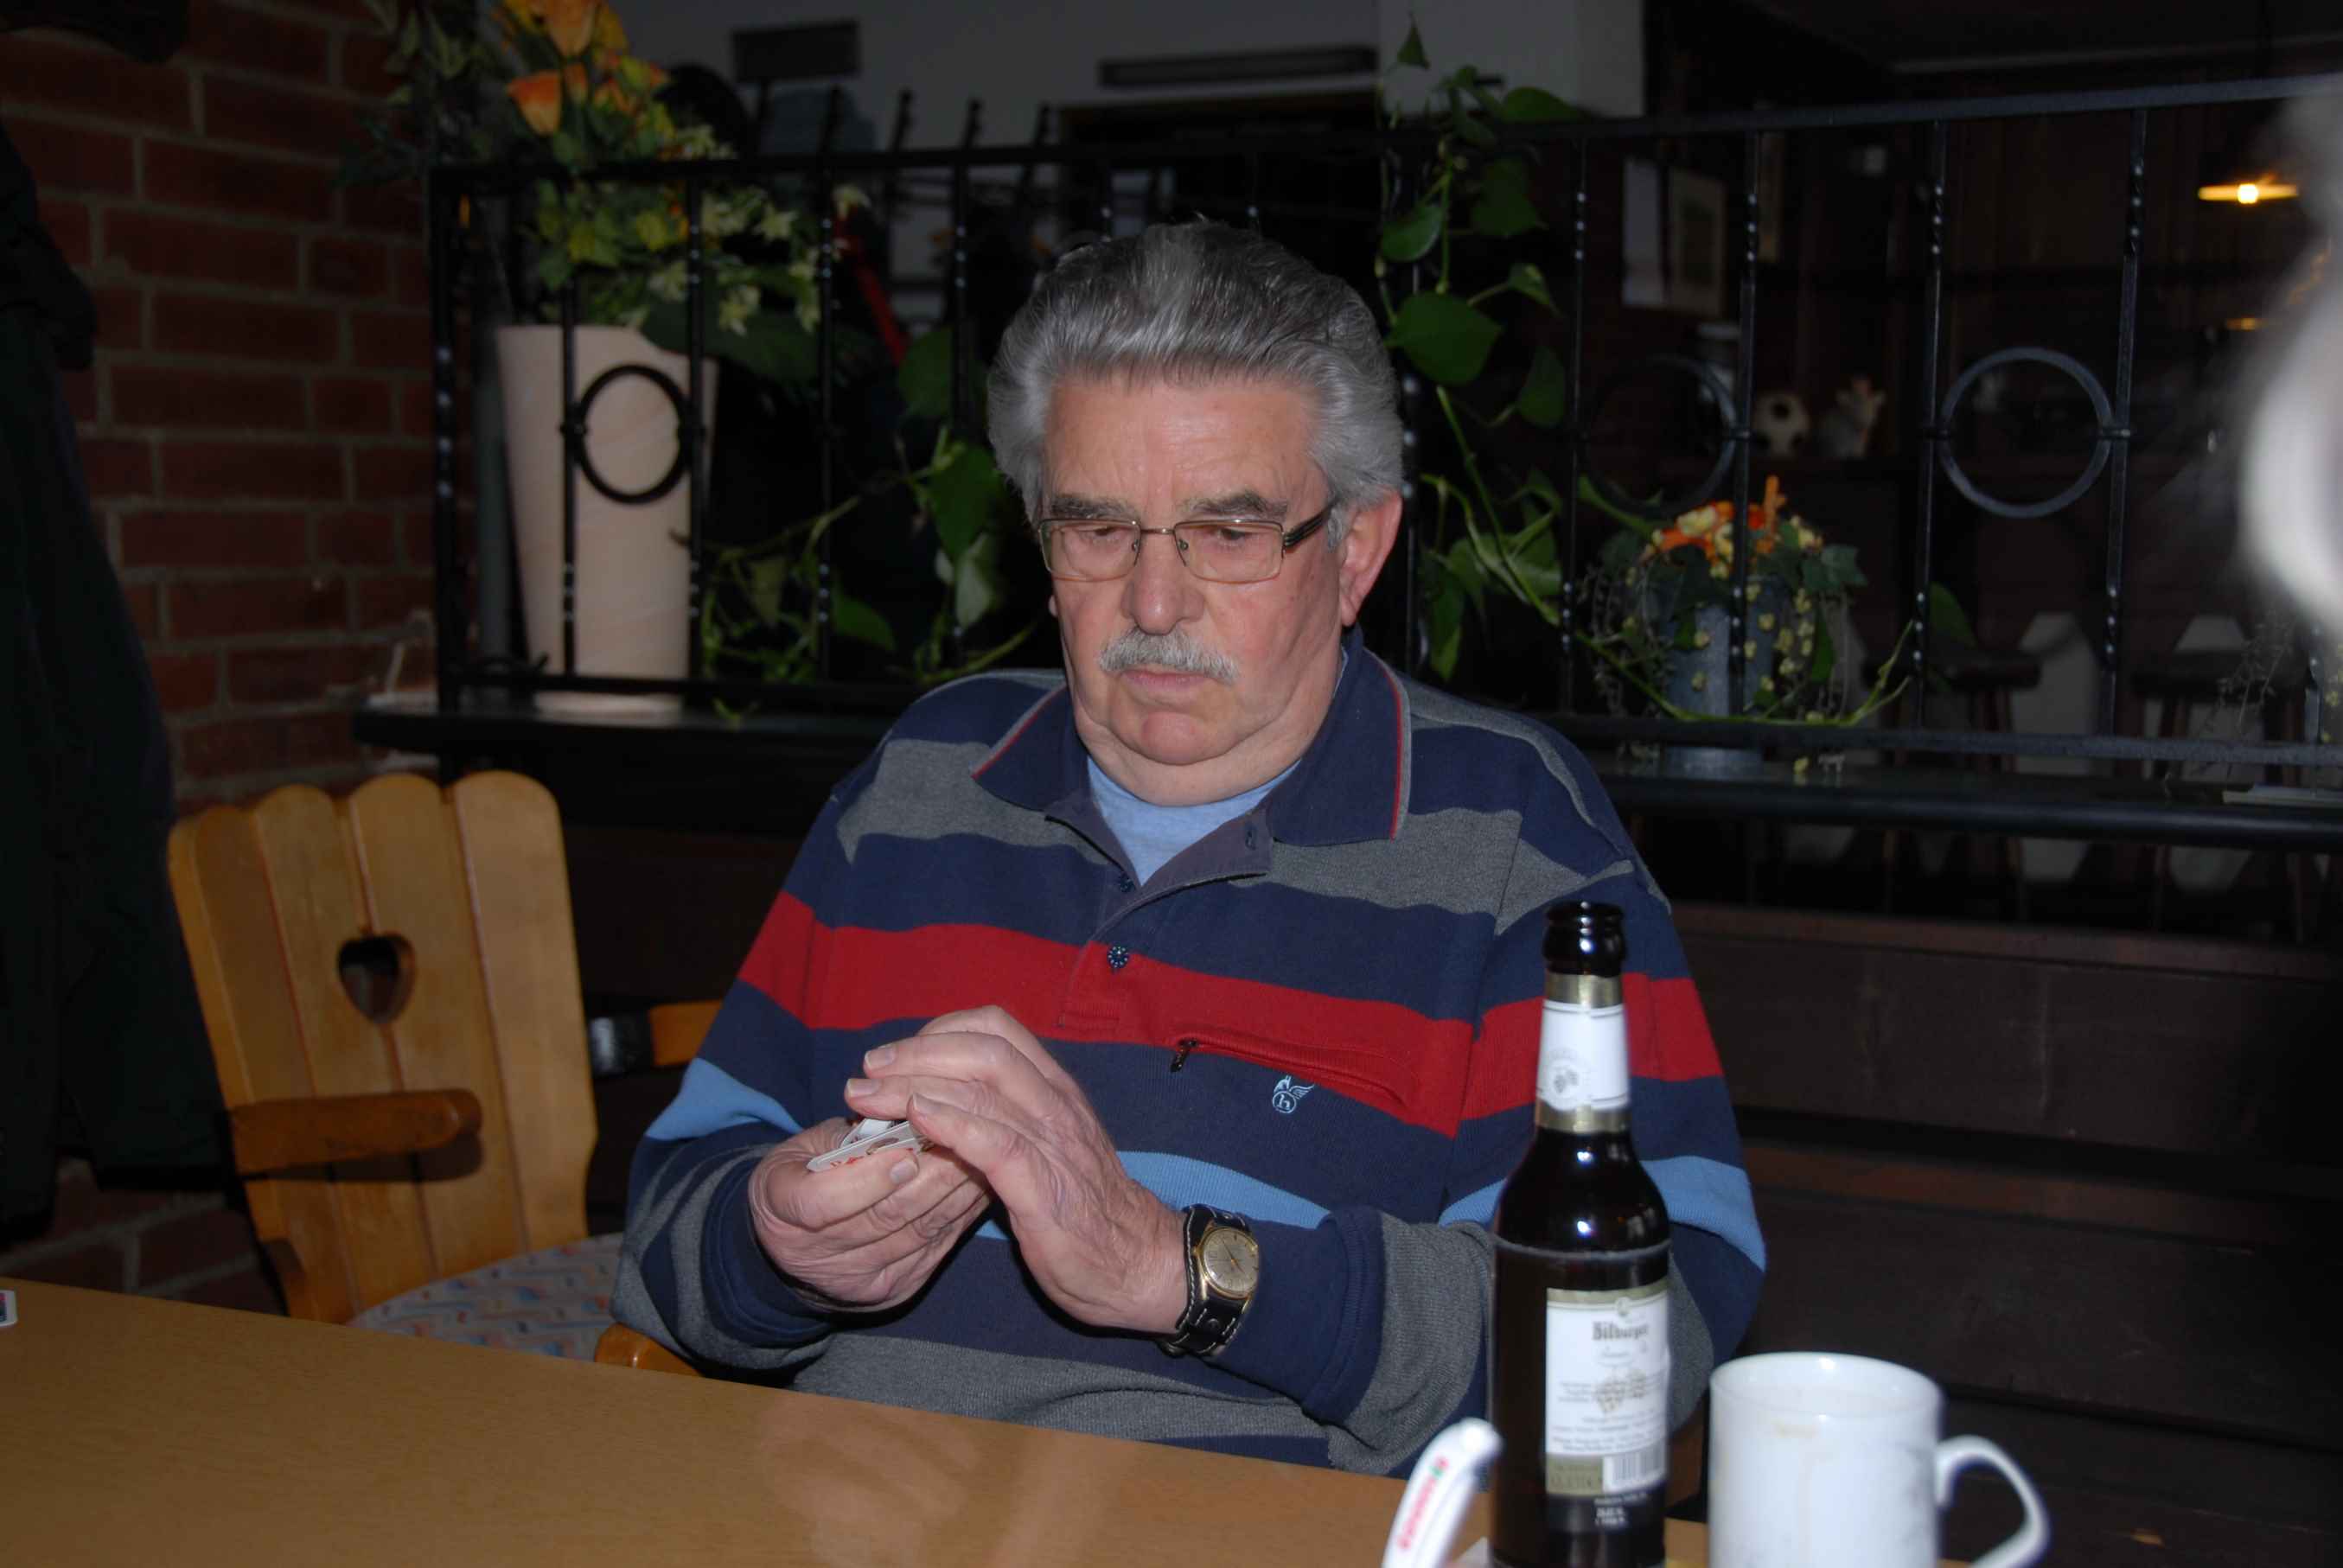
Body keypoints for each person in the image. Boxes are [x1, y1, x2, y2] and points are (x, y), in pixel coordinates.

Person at [615, 220, 1764, 1473]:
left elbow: (1643, 1335)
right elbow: (668, 1218)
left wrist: (1180, 1269)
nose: (1153, 604)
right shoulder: (921, 782)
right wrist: (771, 1246)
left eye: (1229, 534)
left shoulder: (1511, 842)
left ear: (1356, 550)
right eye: (1097, 529)